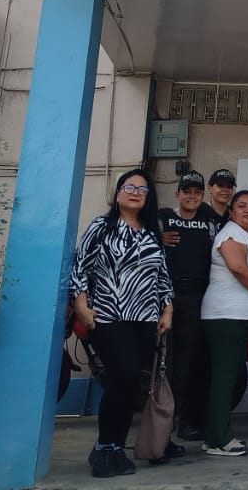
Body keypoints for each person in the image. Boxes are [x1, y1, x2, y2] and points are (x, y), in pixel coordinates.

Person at [70, 170, 175, 477]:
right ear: (117, 194)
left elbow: (162, 275)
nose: (135, 192)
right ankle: (103, 447)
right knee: (122, 374)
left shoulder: (151, 232)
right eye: (129, 187)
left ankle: (116, 447)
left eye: (142, 189)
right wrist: (81, 305)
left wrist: (167, 310)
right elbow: (80, 267)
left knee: (130, 383)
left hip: (145, 319)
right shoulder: (101, 227)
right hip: (108, 316)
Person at [201, 189, 248, 456]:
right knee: (225, 377)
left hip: (240, 316)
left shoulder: (247, 235)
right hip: (225, 315)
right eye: (241, 206)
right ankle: (219, 439)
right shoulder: (231, 233)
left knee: (228, 377)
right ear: (231, 211)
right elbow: (238, 267)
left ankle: (215, 435)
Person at [158, 169, 220, 443]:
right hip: (167, 299)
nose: (192, 196)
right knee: (165, 363)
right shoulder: (162, 218)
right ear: (177, 194)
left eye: (197, 192)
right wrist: (157, 238)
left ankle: (186, 421)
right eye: (187, 191)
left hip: (198, 299)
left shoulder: (210, 220)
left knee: (190, 363)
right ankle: (161, 425)